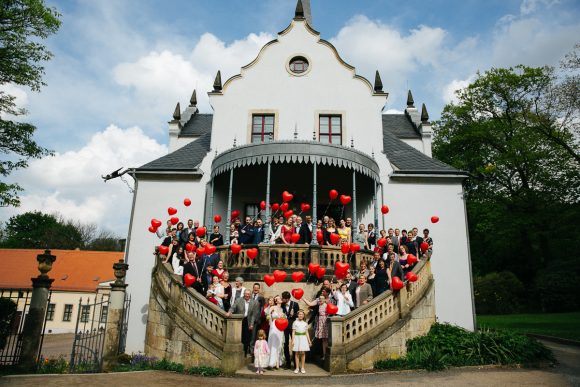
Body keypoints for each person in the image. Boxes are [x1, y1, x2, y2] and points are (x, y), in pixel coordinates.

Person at [228, 289, 261, 356]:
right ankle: (238, 352)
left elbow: (254, 315)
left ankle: (245, 352)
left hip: (249, 320)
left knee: (247, 338)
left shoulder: (255, 302)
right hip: (240, 320)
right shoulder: (238, 300)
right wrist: (229, 312)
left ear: (250, 295)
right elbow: (233, 307)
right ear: (244, 294)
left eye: (248, 294)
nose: (247, 295)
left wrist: (251, 324)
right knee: (240, 336)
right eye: (246, 294)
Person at [302, 294, 329, 361]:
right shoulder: (319, 304)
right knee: (323, 339)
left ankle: (326, 355)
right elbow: (310, 304)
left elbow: (330, 313)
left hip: (325, 321)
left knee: (326, 339)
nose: (321, 300)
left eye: (322, 298)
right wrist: (302, 298)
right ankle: (324, 355)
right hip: (319, 321)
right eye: (320, 298)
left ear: (325, 299)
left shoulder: (327, 305)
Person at [266, 295, 286, 369]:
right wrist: (270, 322)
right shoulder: (272, 307)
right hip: (274, 326)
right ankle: (271, 362)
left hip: (280, 328)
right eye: (279, 298)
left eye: (281, 298)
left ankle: (278, 362)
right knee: (273, 343)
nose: (281, 299)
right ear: (276, 300)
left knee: (279, 343)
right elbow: (268, 316)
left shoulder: (281, 309)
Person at [281, 291, 299, 369]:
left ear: (287, 299)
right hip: (284, 327)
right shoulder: (282, 305)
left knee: (294, 344)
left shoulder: (295, 304)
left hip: (293, 327)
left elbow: (299, 314)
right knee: (285, 345)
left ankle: (296, 364)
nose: (282, 299)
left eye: (283, 298)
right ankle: (288, 363)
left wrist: (293, 314)